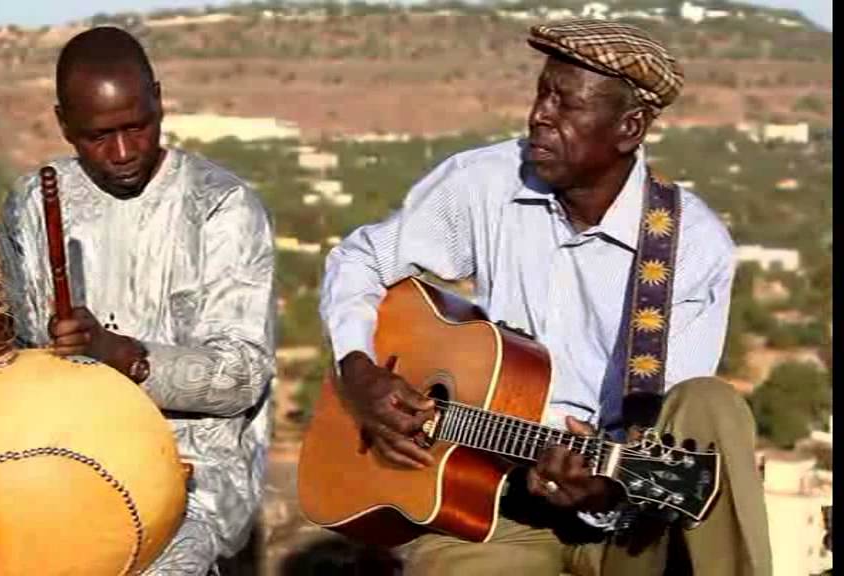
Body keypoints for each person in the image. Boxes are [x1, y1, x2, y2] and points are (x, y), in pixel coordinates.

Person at [319, 19, 772, 576]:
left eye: (567, 104)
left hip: (629, 514)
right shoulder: (485, 182)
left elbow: (675, 418)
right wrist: (358, 371)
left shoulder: (692, 245)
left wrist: (604, 490)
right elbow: (359, 259)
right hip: (491, 504)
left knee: (711, 403)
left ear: (629, 128)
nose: (539, 116)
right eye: (541, 94)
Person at [0, 27, 275, 575]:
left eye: (137, 127)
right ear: (64, 125)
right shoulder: (32, 202)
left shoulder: (222, 206)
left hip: (189, 474)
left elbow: (243, 376)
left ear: (159, 100)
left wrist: (120, 354)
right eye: (99, 136)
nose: (123, 152)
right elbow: (15, 350)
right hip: (55, 461)